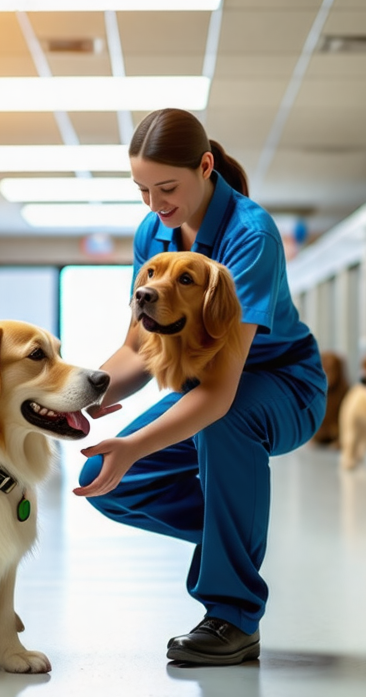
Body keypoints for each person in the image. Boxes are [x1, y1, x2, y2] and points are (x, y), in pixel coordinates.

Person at [75, 108, 327, 666]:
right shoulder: (153, 230)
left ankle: (233, 616)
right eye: (142, 189)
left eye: (167, 187)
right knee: (104, 480)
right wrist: (81, 394)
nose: (154, 203)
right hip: (210, 387)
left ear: (206, 166)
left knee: (225, 421)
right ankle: (233, 539)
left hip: (282, 384)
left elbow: (219, 393)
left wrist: (137, 444)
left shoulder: (250, 235)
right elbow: (140, 346)